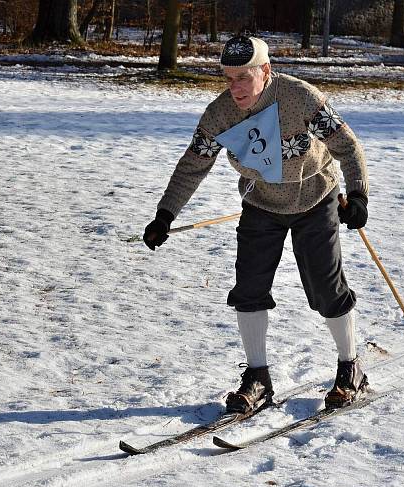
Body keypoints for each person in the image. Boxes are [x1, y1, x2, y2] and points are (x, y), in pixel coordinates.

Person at [143, 35, 369, 413]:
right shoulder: (219, 114)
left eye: (243, 78)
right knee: (248, 288)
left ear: (265, 71)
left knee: (326, 288)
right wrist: (165, 215)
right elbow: (193, 165)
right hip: (261, 203)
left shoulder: (299, 96)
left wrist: (358, 194)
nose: (235, 88)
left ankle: (351, 368)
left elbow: (347, 145)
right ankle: (258, 377)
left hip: (314, 198)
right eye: (228, 79)